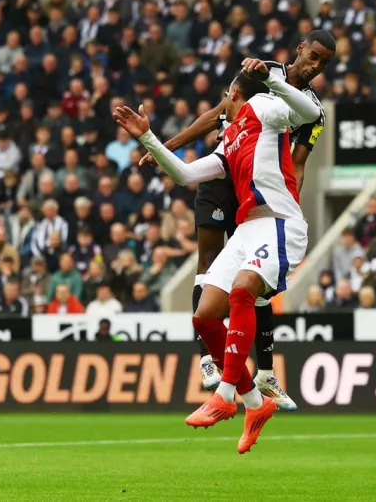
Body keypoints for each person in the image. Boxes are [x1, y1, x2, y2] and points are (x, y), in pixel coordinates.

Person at [114, 53, 322, 453]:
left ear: (232, 94)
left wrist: (275, 84)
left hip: (280, 222)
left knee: (244, 289)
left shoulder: (265, 107)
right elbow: (186, 175)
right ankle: (255, 405)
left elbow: (311, 112)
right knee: (205, 317)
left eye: (225, 95)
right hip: (248, 228)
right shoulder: (230, 139)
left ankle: (225, 395)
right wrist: (148, 137)